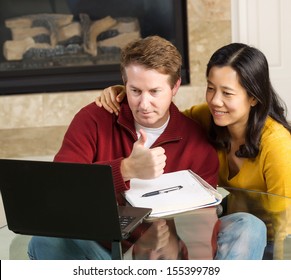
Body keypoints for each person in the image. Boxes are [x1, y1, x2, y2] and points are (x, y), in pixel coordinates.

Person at [28, 37, 266, 260]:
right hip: (104, 254)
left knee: (249, 226)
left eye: (154, 92)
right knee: (44, 239)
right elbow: (58, 192)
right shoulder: (93, 119)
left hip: (169, 253)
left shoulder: (197, 143)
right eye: (135, 91)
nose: (144, 104)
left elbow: (202, 230)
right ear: (123, 85)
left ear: (175, 87)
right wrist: (124, 169)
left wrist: (174, 249)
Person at [96, 42, 291, 258]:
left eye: (227, 93)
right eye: (210, 88)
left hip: (275, 242)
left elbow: (287, 227)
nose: (215, 101)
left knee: (250, 227)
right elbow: (164, 115)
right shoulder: (208, 117)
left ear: (253, 97)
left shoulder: (278, 146)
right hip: (234, 229)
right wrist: (126, 92)